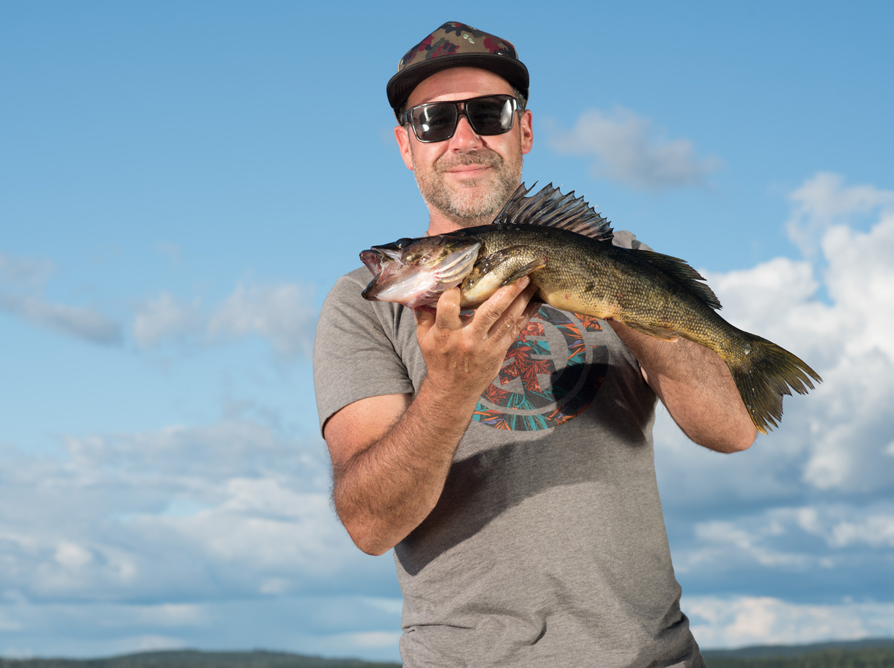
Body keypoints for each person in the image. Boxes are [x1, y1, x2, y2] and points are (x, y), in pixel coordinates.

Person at [313, 22, 756, 668]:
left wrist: (617, 293)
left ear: (524, 131)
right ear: (407, 146)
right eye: (435, 122)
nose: (464, 139)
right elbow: (370, 524)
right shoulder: (363, 308)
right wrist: (451, 389)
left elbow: (731, 430)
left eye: (488, 115)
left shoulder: (622, 257)